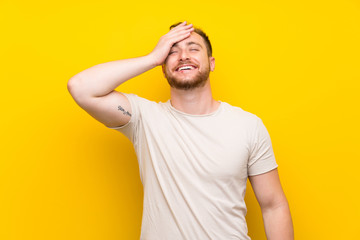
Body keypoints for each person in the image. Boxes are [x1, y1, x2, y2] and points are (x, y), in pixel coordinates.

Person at [67, 21, 294, 240]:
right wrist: (151, 58)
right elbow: (80, 87)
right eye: (172, 52)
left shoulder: (248, 125)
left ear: (212, 62)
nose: (184, 55)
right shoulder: (143, 118)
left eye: (193, 48)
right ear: (163, 69)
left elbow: (273, 205)